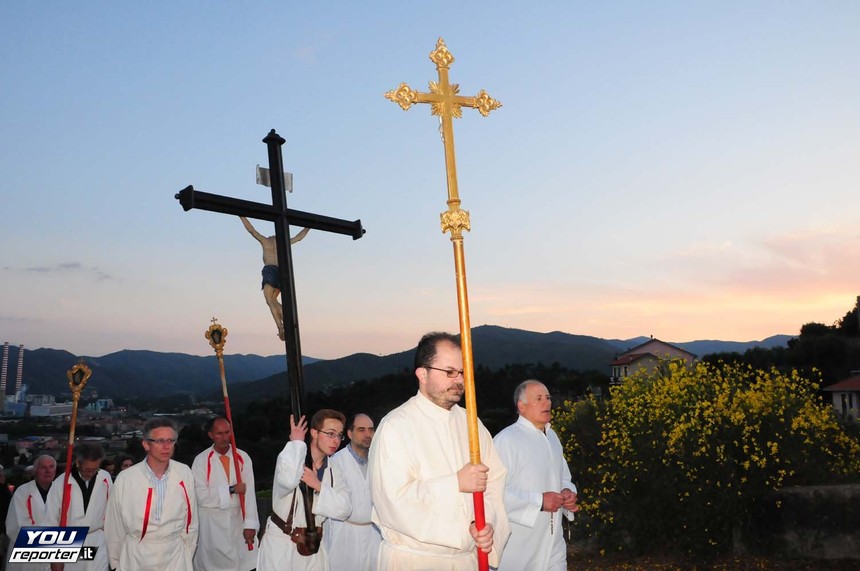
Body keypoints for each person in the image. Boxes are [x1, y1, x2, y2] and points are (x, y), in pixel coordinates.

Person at [369, 332, 510, 569]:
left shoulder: (472, 424)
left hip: (467, 560)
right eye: (449, 372)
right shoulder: (396, 427)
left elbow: (495, 482)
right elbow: (392, 501)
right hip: (416, 560)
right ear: (422, 374)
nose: (459, 380)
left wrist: (484, 522)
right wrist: (455, 483)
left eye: (462, 372)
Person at [493, 380, 579, 571]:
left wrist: (567, 493)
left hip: (553, 539)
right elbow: (493, 492)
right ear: (521, 406)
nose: (547, 403)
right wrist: (539, 501)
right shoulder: (506, 441)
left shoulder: (553, 437)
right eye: (539, 398)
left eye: (548, 398)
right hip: (519, 544)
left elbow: (564, 476)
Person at [257, 409, 351, 571]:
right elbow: (288, 480)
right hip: (283, 545)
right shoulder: (291, 457)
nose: (336, 440)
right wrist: (297, 443)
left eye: (339, 435)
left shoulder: (334, 470)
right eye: (330, 434)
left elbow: (344, 509)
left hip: (313, 546)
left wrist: (317, 484)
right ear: (314, 433)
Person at [105, 418, 197, 571]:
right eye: (159, 441)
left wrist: (187, 553)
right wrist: (115, 563)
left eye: (170, 440)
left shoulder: (184, 472)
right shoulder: (126, 478)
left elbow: (192, 521)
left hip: (175, 556)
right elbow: (114, 525)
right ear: (146, 444)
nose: (166, 446)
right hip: (136, 557)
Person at [191, 417, 258, 571]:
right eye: (219, 433)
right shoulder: (201, 460)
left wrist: (250, 524)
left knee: (244, 563)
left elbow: (250, 495)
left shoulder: (242, 458)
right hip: (212, 526)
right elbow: (200, 496)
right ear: (211, 435)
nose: (224, 437)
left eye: (227, 432)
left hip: (237, 521)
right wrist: (231, 489)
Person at [323, 413, 382, 571]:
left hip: (374, 535)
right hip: (344, 535)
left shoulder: (380, 460)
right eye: (361, 430)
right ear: (349, 434)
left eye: (371, 430)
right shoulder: (335, 462)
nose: (368, 434)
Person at [44, 442, 112, 571]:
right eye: (87, 469)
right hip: (70, 541)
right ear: (78, 462)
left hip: (97, 539)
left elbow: (111, 512)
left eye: (95, 469)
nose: (91, 473)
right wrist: (54, 557)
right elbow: (50, 520)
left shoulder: (105, 478)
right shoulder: (61, 483)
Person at [240, 216, 310, 341]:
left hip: (270, 270)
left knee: (269, 300)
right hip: (281, 272)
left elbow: (252, 230)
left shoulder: (265, 241)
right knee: (272, 299)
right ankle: (285, 319)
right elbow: (299, 238)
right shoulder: (282, 242)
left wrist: (242, 216)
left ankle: (280, 326)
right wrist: (308, 226)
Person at [5, 455, 56, 569]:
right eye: (43, 467)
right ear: (35, 470)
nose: (48, 471)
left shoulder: (61, 492)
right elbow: (17, 526)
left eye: (51, 467)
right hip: (27, 557)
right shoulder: (22, 492)